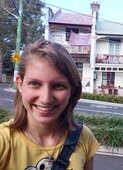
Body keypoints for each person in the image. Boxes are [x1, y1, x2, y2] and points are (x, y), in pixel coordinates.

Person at [0, 39, 100, 170]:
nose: (46, 99)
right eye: (35, 84)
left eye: (58, 86)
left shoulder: (85, 137)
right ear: (19, 84)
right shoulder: (3, 141)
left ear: (72, 90)